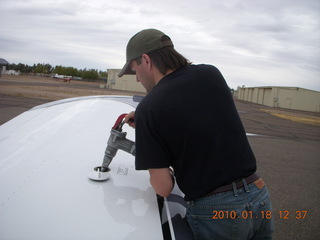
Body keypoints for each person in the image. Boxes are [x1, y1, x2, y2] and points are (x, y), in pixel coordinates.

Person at [119, 28, 274, 240]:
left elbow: (163, 187)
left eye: (134, 69)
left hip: (218, 214)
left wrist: (149, 129)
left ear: (146, 60)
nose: (137, 78)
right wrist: (149, 120)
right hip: (259, 197)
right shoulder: (211, 73)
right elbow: (198, 111)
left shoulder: (150, 109)